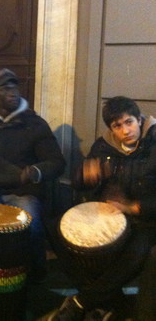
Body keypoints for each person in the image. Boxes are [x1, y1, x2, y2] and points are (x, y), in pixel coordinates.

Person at [49, 96, 156, 321]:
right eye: (118, 126)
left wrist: (133, 207)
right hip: (110, 215)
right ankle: (111, 303)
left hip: (145, 219)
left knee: (136, 251)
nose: (126, 130)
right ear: (111, 128)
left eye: (129, 122)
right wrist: (85, 175)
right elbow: (82, 181)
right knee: (55, 230)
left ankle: (81, 303)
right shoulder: (103, 146)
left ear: (139, 119)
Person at [0, 67, 66, 282]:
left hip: (22, 192)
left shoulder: (34, 123)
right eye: (5, 88)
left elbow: (56, 162)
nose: (13, 92)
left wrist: (35, 171)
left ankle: (33, 276)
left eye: (14, 86)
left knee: (30, 224)